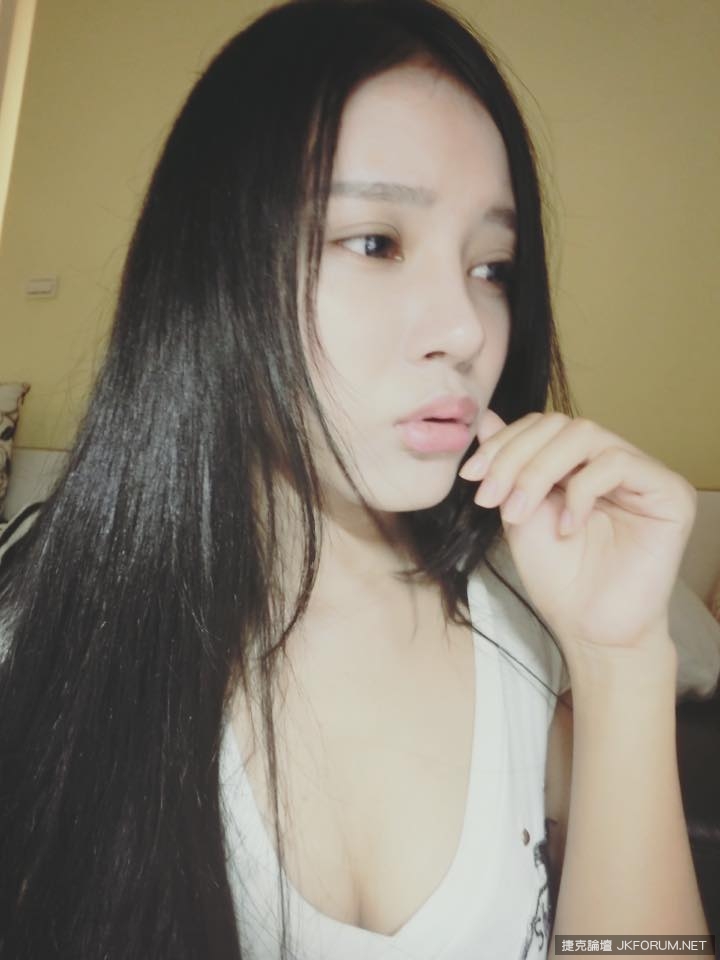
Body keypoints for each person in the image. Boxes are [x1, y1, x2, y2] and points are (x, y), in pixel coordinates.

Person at [0, 0, 710, 958]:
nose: (465, 328)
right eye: (376, 243)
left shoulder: (521, 633)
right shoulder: (43, 648)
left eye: (493, 267)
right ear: (213, 270)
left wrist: (623, 666)